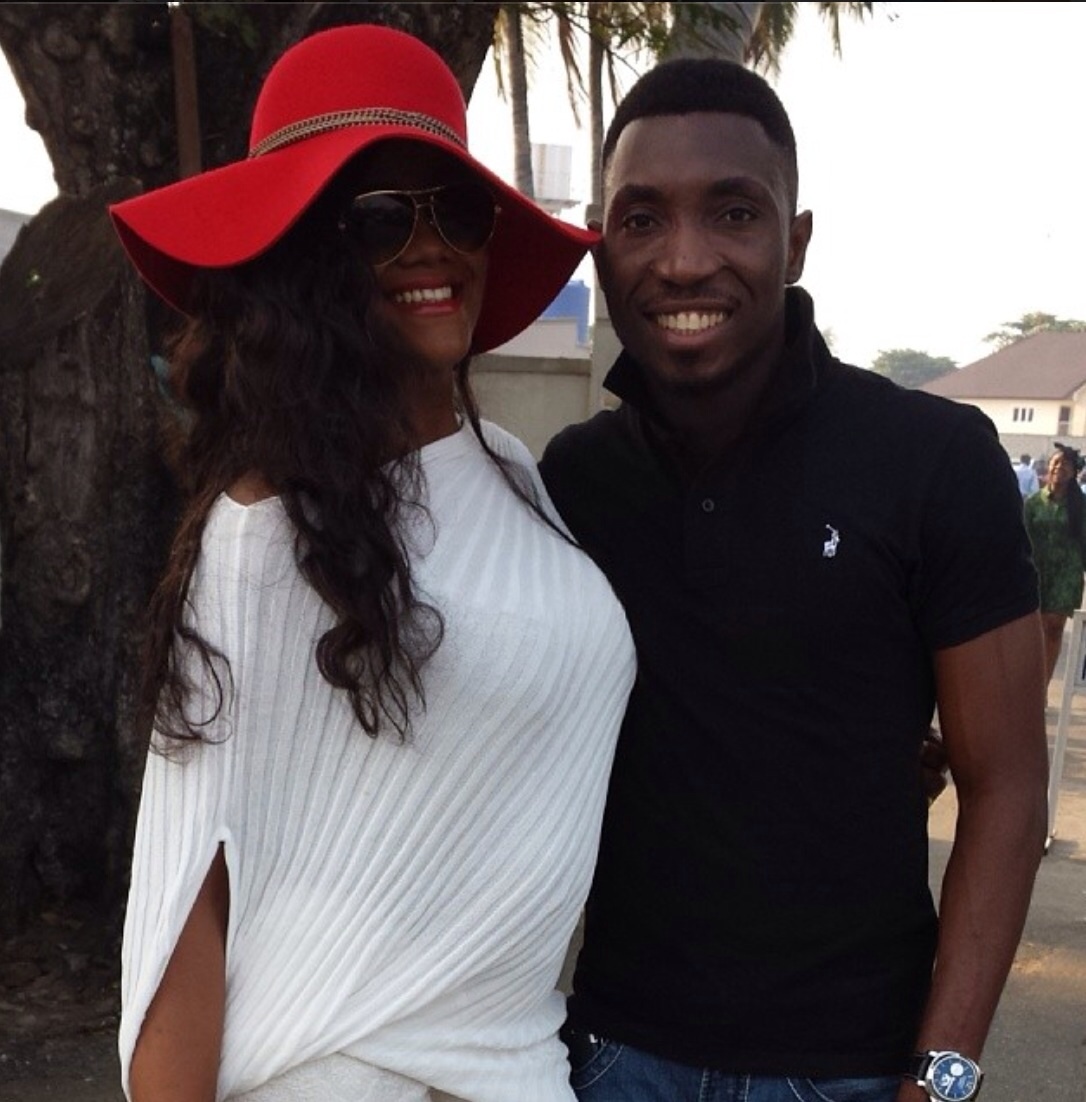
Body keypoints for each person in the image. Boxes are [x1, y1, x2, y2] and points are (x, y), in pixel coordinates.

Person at [109, 25, 636, 1102]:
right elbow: (186, 897)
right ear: (305, 258)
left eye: (458, 211)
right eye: (381, 219)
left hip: (524, 1070)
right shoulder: (266, 530)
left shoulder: (515, 476)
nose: (430, 248)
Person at [540, 58, 1049, 1102]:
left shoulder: (931, 459)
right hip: (614, 1056)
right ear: (602, 243)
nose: (685, 259)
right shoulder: (573, 483)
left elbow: (1005, 785)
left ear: (797, 239)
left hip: (853, 1066)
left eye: (733, 213)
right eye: (643, 219)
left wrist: (941, 1076)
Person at [1023, 443, 1086, 689]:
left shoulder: (1081, 506)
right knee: (1035, 628)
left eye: (1066, 464)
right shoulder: (1033, 504)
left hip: (1066, 573)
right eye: (1056, 462)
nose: (1060, 467)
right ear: (1048, 466)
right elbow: (1023, 539)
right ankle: (1030, 682)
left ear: (1074, 471)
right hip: (1037, 572)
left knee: (1054, 626)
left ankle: (1043, 687)